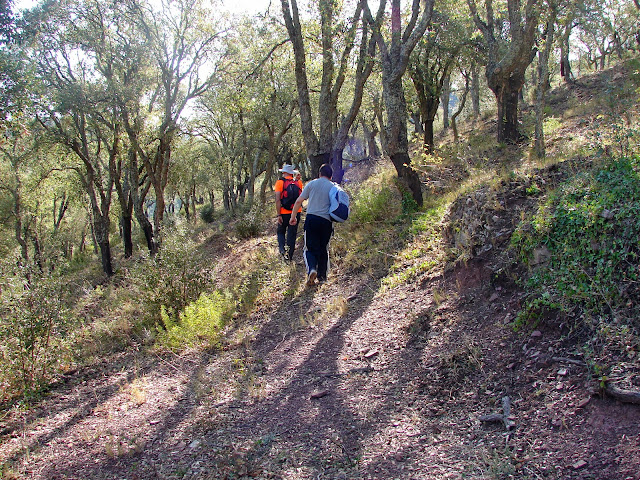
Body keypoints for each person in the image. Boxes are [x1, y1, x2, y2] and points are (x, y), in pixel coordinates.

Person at [289, 163, 334, 287]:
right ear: (331, 176)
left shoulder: (312, 184)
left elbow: (299, 201)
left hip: (312, 219)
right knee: (323, 248)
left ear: (319, 174)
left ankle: (312, 269)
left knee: (309, 248)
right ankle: (322, 277)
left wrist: (293, 217)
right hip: (327, 221)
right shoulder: (333, 187)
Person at [274, 164, 303, 261]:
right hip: (296, 212)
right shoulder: (299, 183)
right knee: (292, 234)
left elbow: (278, 200)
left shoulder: (279, 182)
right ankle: (289, 257)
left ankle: (282, 250)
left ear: (284, 172)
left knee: (281, 231)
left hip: (284, 212)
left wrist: (279, 215)